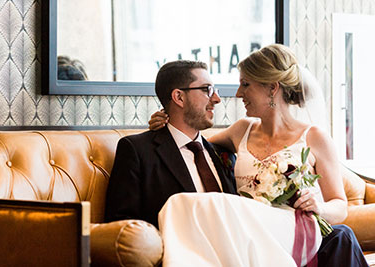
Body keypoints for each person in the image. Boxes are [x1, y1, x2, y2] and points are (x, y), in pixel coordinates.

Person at [150, 44, 368, 267]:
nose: (238, 93)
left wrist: (319, 207)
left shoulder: (315, 138)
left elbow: (340, 205)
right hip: (251, 239)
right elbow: (193, 145)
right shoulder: (241, 130)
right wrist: (167, 123)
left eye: (245, 84)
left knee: (342, 235)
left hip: (296, 233)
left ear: (272, 88)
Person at [105, 60, 237, 229]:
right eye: (207, 90)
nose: (217, 99)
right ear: (179, 97)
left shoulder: (223, 153)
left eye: (215, 90)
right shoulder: (137, 151)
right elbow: (121, 225)